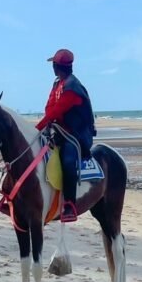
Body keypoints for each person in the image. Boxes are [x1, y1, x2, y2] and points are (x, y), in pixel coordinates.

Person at [36, 49, 96, 223]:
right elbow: (49, 107)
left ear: (56, 67)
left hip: (76, 134)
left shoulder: (73, 88)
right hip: (59, 129)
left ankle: (69, 204)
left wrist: (38, 127)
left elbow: (56, 110)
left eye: (53, 65)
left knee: (68, 161)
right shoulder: (58, 83)